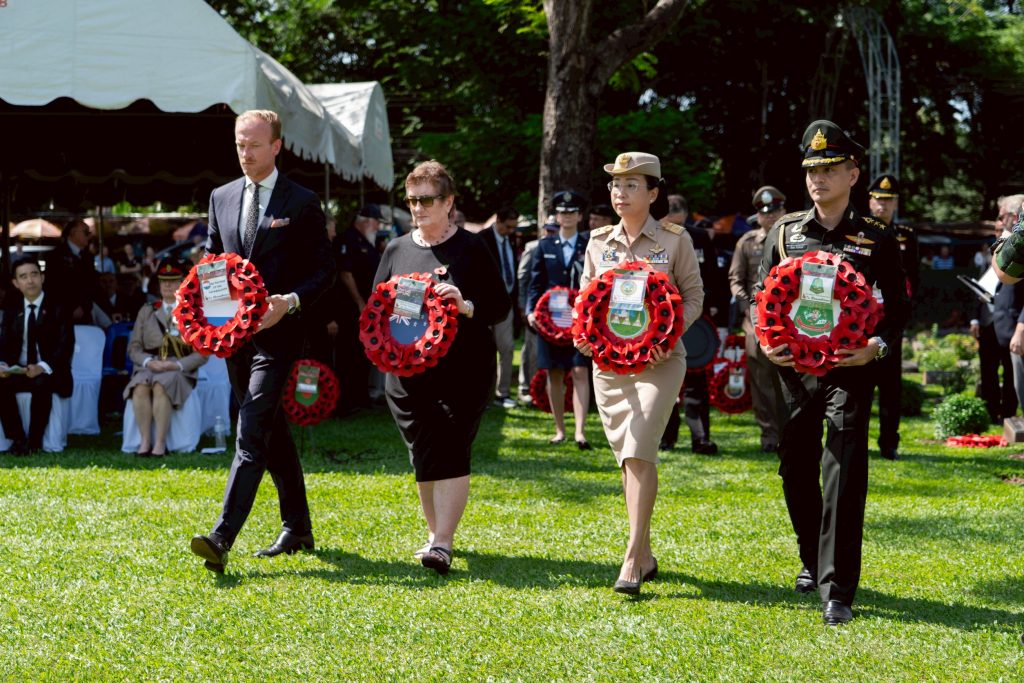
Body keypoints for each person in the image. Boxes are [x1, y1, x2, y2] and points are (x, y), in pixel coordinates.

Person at [756, 121, 909, 625]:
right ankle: (809, 557)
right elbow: (763, 300)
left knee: (843, 468)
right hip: (795, 373)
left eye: (829, 169)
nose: (818, 179)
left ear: (852, 173)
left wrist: (877, 348)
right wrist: (765, 342)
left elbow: (899, 310)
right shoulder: (784, 233)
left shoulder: (877, 238)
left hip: (851, 369)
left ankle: (838, 588)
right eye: (811, 170)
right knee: (795, 465)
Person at [189, 109, 335, 574]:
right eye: (239, 145)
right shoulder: (221, 196)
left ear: (276, 146)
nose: (245, 153)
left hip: (280, 334)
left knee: (250, 429)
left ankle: (221, 536)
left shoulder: (303, 201)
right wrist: (205, 309)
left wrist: (289, 301)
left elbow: (324, 271)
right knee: (270, 430)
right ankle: (298, 526)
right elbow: (213, 259)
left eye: (253, 145)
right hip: (235, 338)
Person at [576, 152, 704, 594]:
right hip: (609, 368)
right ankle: (646, 554)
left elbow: (693, 297)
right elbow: (585, 300)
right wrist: (583, 336)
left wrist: (664, 339)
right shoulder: (597, 243)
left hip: (660, 364)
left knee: (641, 447)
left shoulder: (674, 240)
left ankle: (631, 558)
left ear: (653, 193)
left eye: (632, 185)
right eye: (615, 184)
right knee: (628, 458)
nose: (620, 192)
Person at [373, 160, 510, 574]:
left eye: (427, 200)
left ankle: (443, 543)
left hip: (463, 372)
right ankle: (435, 537)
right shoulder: (396, 249)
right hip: (408, 374)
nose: (418, 208)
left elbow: (500, 307)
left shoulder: (471, 248)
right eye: (412, 200)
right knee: (423, 452)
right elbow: (377, 306)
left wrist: (466, 305)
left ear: (449, 202)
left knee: (450, 447)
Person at [660, 193, 727, 454]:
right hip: (662, 319)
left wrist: (709, 307)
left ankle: (700, 438)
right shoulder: (655, 238)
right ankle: (666, 438)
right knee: (665, 380)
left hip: (695, 318)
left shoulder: (697, 238)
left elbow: (713, 276)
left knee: (696, 378)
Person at [124, 258, 208, 457]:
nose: (168, 285)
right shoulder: (146, 311)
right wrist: (147, 361)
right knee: (139, 388)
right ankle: (145, 442)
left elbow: (203, 353)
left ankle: (160, 444)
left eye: (173, 281)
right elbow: (134, 347)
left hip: (178, 368)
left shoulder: (193, 312)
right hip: (149, 365)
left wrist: (177, 365)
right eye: (163, 282)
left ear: (182, 283)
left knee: (161, 386)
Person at [527, 191, 591, 448]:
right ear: (556, 215)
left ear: (579, 216)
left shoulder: (588, 245)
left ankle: (580, 431)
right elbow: (535, 281)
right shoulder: (545, 246)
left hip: (579, 321)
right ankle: (559, 429)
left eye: (571, 212)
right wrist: (531, 310)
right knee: (554, 372)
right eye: (562, 212)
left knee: (579, 371)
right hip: (551, 321)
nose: (566, 216)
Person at [727, 185, 788, 452]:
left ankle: (790, 432)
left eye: (775, 211)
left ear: (783, 211)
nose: (771, 217)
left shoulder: (794, 239)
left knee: (790, 379)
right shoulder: (747, 242)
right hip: (756, 321)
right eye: (765, 213)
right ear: (758, 216)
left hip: (789, 319)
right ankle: (769, 437)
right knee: (761, 381)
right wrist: (750, 309)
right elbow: (735, 280)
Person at [866, 174, 918, 459]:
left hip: (891, 318)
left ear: (896, 203)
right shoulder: (859, 230)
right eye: (877, 200)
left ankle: (889, 442)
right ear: (869, 201)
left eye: (888, 201)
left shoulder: (906, 235)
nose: (882, 206)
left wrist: (904, 313)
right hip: (863, 316)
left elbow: (914, 278)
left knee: (890, 384)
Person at [0, 256, 74, 455]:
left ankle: (34, 442)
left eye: (34, 275)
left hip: (51, 371)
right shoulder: (11, 310)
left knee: (41, 382)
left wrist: (42, 366)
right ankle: (17, 439)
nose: (30, 281)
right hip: (20, 371)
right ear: (16, 283)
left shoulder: (59, 307)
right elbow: (3, 345)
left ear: (42, 277)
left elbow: (65, 346)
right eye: (23, 277)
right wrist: (3, 364)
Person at [973, 196, 1023, 423]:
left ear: (1014, 216)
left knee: (1016, 378)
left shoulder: (1016, 240)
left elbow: (1003, 273)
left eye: (1003, 216)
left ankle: (1010, 415)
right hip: (990, 320)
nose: (1000, 221)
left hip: (1013, 322)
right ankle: (994, 413)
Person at [334, 204, 383, 414]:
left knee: (363, 355)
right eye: (376, 221)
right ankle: (347, 402)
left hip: (368, 311)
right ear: (365, 221)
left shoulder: (369, 242)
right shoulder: (347, 239)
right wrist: (360, 302)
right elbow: (346, 274)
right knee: (349, 356)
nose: (378, 226)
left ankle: (361, 398)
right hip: (351, 309)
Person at [478, 205, 520, 408]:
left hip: (506, 302)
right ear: (498, 222)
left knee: (507, 348)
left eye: (514, 227)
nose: (512, 231)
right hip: (485, 305)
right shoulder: (481, 239)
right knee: (485, 351)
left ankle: (502, 393)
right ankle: (483, 395)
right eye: (508, 227)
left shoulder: (511, 239)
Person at [517, 218, 557, 405]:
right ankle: (526, 389)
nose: (550, 233)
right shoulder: (533, 247)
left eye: (554, 230)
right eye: (548, 230)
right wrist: (525, 308)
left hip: (556, 309)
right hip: (535, 309)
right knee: (530, 350)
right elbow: (523, 278)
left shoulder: (562, 247)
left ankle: (549, 391)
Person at [44, 217, 97, 324]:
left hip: (85, 311)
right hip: (63, 314)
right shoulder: (56, 255)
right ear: (73, 233)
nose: (89, 235)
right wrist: (71, 307)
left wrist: (84, 306)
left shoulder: (87, 256)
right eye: (86, 232)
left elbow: (91, 284)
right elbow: (54, 286)